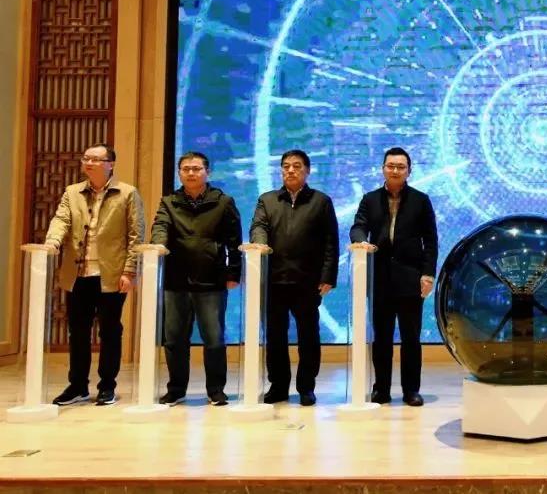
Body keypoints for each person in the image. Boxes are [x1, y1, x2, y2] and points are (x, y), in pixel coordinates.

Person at [45, 144, 145, 406]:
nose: (89, 163)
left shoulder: (127, 193)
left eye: (96, 159)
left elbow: (136, 234)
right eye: (86, 159)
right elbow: (61, 220)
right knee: (77, 331)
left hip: (111, 274)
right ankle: (77, 385)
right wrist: (53, 241)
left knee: (110, 331)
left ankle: (107, 386)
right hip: (77, 273)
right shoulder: (72, 192)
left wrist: (130, 270)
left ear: (111, 164)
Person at [151, 151, 242, 406]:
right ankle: (176, 389)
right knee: (174, 340)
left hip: (211, 280)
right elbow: (160, 227)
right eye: (186, 169)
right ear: (179, 173)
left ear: (207, 172)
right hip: (175, 280)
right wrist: (157, 245)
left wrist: (233, 272)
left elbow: (234, 241)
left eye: (196, 169)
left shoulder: (223, 202)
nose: (191, 173)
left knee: (214, 338)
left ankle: (216, 390)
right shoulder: (169, 202)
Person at [250, 149, 339, 406]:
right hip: (273, 280)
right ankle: (278, 386)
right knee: (275, 337)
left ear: (307, 171)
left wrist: (328, 276)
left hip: (307, 281)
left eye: (297, 166)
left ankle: (306, 387)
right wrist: (259, 243)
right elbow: (258, 227)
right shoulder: (267, 200)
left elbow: (331, 242)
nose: (290, 170)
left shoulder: (321, 201)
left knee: (308, 337)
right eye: (286, 166)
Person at [350, 147, 438, 407]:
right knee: (382, 339)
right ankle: (381, 389)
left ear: (409, 171)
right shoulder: (370, 199)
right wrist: (360, 241)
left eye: (401, 167)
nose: (395, 170)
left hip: (411, 279)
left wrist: (428, 274)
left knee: (411, 339)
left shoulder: (421, 200)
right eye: (391, 166)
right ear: (383, 169)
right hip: (379, 280)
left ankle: (411, 390)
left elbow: (431, 241)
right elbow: (358, 226)